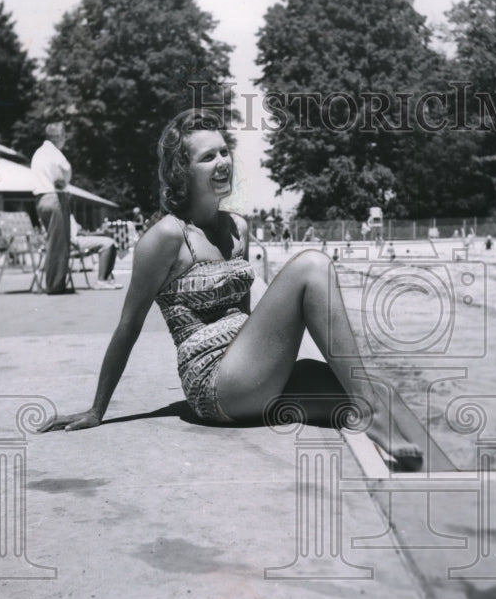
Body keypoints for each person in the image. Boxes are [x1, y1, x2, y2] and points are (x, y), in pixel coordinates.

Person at [39, 109, 423, 468]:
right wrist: (96, 409)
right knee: (312, 266)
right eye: (207, 157)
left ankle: (447, 485)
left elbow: (244, 316)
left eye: (224, 152)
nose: (222, 161)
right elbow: (128, 327)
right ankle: (370, 412)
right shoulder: (166, 237)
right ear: (181, 171)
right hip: (215, 385)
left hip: (253, 371)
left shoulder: (238, 228)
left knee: (380, 391)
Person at [31, 122, 72, 294]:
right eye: (64, 135)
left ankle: (53, 283)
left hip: (40, 200)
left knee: (52, 241)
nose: (65, 139)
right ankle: (55, 285)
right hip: (53, 198)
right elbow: (66, 169)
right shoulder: (55, 153)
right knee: (59, 244)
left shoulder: (39, 153)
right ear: (57, 137)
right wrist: (65, 181)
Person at [69, 215, 123, 289]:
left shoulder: (65, 209)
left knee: (111, 242)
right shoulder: (61, 209)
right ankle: (101, 280)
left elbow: (81, 232)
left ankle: (107, 279)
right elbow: (80, 233)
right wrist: (100, 232)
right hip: (73, 241)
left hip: (76, 239)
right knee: (108, 243)